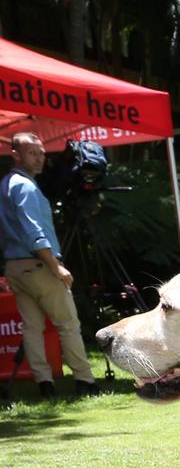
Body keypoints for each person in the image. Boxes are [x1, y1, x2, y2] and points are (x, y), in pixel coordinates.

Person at [0, 133, 100, 399]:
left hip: (15, 267)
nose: (40, 157)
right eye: (32, 153)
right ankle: (85, 381)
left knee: (32, 328)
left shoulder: (7, 184)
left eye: (42, 152)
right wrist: (56, 267)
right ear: (16, 155)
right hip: (38, 265)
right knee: (68, 324)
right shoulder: (25, 187)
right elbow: (34, 231)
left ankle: (45, 384)